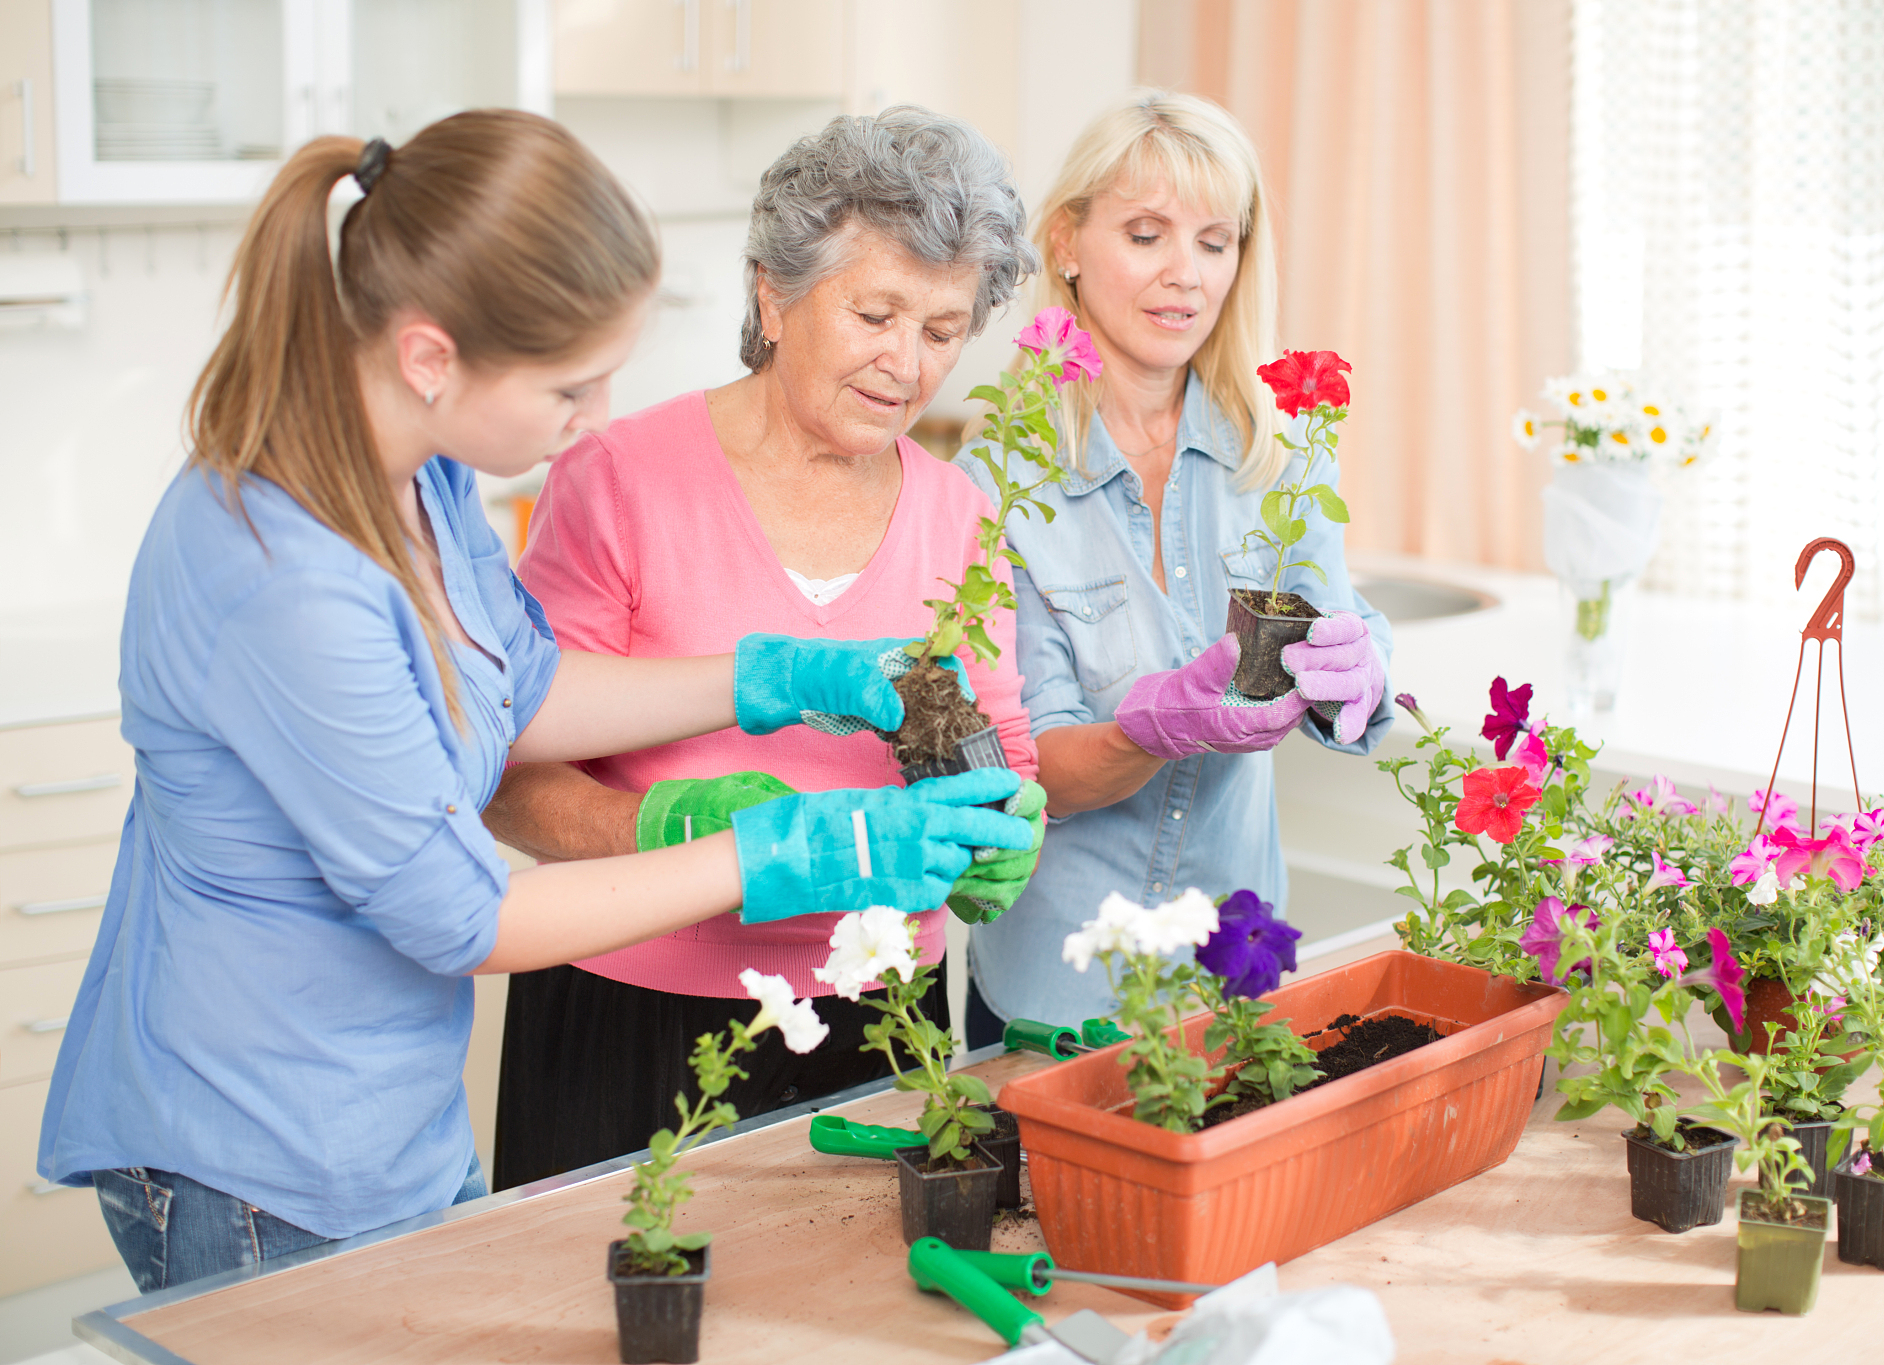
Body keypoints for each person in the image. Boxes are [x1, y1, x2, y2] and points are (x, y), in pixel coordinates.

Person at [36, 111, 1031, 1295]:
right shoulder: (283, 571)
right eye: (569, 384)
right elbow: (461, 917)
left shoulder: (425, 484)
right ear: (429, 358)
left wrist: (770, 679)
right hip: (259, 1143)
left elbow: (529, 690)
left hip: (389, 1111)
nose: (600, 419)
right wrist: (777, 849)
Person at [479, 107, 1046, 1191]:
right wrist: (663, 828)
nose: (905, 364)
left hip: (884, 1020)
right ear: (771, 295)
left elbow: (999, 735)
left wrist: (1007, 824)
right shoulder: (618, 479)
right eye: (874, 313)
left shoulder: (956, 516)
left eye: (940, 330)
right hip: (634, 1015)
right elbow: (506, 776)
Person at [958, 91, 1394, 1043]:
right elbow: (1025, 768)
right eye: (1147, 233)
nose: (1185, 276)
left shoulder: (1275, 455)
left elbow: (1330, 630)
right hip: (1058, 986)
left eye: (1214, 240)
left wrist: (1360, 674)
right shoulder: (996, 481)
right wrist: (1150, 730)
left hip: (1231, 970)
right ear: (1067, 241)